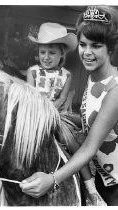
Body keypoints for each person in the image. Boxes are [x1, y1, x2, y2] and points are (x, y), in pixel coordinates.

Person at [19, 5, 118, 206]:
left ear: (111, 48)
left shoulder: (115, 89)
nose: (87, 52)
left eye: (96, 46)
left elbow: (89, 148)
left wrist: (52, 179)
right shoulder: (93, 77)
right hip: (103, 175)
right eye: (83, 44)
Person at [27, 22, 76, 110]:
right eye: (42, 52)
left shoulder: (67, 75)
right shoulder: (33, 72)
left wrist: (50, 111)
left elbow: (62, 98)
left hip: (54, 112)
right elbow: (31, 96)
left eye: (52, 53)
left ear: (62, 53)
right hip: (35, 110)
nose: (46, 57)